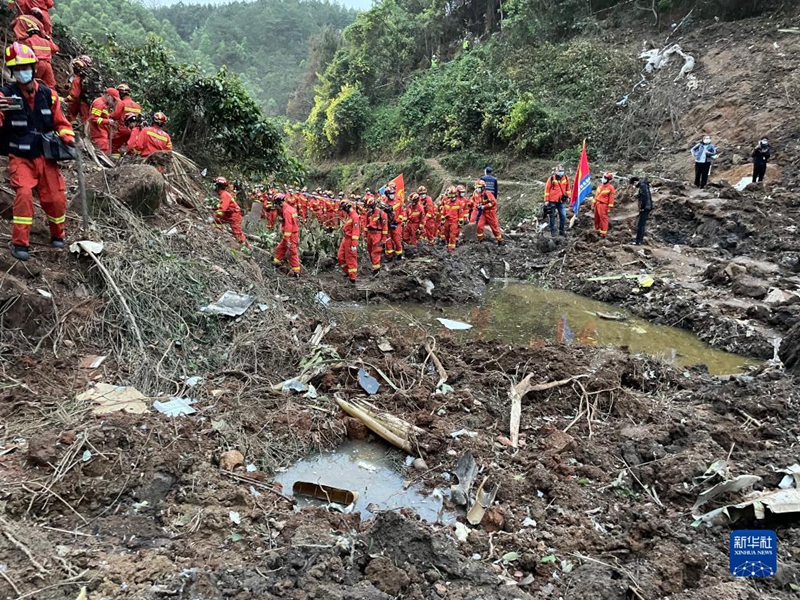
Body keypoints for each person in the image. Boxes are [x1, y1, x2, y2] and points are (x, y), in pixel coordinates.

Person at [0, 42, 75, 261]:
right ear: (12, 72)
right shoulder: (6, 96)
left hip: (46, 156)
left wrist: (66, 136)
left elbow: (62, 122)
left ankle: (57, 235)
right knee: (23, 195)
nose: (22, 72)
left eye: (26, 67)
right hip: (21, 157)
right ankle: (20, 243)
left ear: (33, 68)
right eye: (17, 69)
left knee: (56, 198)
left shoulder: (48, 95)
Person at [19, 21, 57, 89]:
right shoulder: (46, 41)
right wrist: (49, 40)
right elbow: (56, 49)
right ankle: (52, 98)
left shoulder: (28, 41)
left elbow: (26, 54)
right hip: (48, 65)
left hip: (38, 64)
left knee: (33, 83)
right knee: (50, 85)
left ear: (29, 33)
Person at [273, 193, 301, 277]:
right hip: (290, 235)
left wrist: (287, 239)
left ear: (279, 203)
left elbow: (288, 227)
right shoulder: (289, 208)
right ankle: (277, 264)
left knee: (292, 253)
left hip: (291, 235)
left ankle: (297, 273)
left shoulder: (287, 211)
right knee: (280, 249)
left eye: (276, 204)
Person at [111, 83, 141, 157]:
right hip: (134, 131)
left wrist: (107, 115)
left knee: (114, 145)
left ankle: (115, 161)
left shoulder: (122, 103)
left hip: (123, 129)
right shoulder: (137, 106)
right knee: (130, 148)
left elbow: (115, 116)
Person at [212, 177, 245, 243]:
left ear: (218, 186)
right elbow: (221, 205)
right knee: (216, 221)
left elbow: (222, 209)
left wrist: (215, 215)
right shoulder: (222, 194)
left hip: (234, 215)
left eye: (215, 185)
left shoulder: (225, 195)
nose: (214, 186)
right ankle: (217, 234)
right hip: (229, 214)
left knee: (237, 233)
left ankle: (243, 245)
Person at [472, 179, 504, 244]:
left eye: (478, 187)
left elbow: (494, 202)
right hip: (483, 213)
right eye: (477, 187)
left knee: (494, 227)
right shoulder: (477, 194)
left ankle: (500, 240)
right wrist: (478, 206)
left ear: (483, 187)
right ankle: (480, 240)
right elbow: (476, 201)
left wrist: (485, 206)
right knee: (479, 226)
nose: (477, 189)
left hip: (490, 213)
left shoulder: (488, 193)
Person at [89, 87, 118, 156]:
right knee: (102, 154)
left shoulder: (105, 105)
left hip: (103, 134)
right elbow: (94, 118)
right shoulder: (99, 103)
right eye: (113, 99)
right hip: (99, 134)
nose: (114, 102)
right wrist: (107, 121)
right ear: (108, 96)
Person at [544, 164, 571, 237]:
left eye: (562, 170)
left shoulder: (565, 178)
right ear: (556, 171)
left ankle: (561, 231)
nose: (561, 172)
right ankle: (552, 231)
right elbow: (547, 190)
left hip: (561, 201)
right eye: (560, 171)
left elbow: (568, 188)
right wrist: (546, 200)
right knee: (552, 216)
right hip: (552, 200)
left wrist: (569, 197)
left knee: (563, 216)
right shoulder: (551, 179)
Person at [337, 201, 361, 284]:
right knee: (340, 256)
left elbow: (356, 231)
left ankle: (352, 278)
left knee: (350, 259)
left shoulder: (355, 217)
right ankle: (347, 272)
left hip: (350, 240)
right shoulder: (349, 216)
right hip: (345, 239)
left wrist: (354, 244)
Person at [364, 194, 388, 276]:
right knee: (370, 251)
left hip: (377, 234)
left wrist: (383, 239)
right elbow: (365, 225)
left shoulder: (382, 213)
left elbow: (385, 228)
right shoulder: (368, 213)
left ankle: (376, 270)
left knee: (375, 251)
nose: (369, 208)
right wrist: (365, 236)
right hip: (370, 234)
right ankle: (375, 266)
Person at [66, 55, 92, 123]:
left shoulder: (77, 79)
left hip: (81, 101)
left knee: (71, 112)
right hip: (87, 101)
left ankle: (71, 125)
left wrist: (65, 99)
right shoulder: (88, 77)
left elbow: (74, 95)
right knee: (85, 119)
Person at [383, 183, 405, 261]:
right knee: (388, 240)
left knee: (396, 239)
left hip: (397, 224)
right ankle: (389, 256)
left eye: (393, 193)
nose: (392, 195)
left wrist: (397, 221)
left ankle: (399, 254)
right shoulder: (385, 202)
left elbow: (402, 212)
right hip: (388, 224)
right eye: (390, 194)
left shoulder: (398, 200)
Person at [592, 171, 616, 239]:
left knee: (603, 219)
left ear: (608, 179)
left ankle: (603, 234)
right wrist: (593, 204)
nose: (603, 179)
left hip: (603, 205)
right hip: (597, 204)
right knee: (597, 218)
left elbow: (611, 199)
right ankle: (598, 231)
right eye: (603, 177)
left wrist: (609, 208)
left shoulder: (610, 188)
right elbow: (596, 195)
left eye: (605, 178)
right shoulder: (600, 186)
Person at [630, 177, 653, 246]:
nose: (634, 186)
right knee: (642, 225)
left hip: (646, 207)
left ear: (635, 182)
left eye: (633, 184)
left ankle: (638, 241)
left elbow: (645, 197)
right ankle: (639, 240)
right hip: (648, 207)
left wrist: (642, 207)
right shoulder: (644, 185)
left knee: (640, 225)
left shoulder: (642, 186)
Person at [441, 185, 464, 253]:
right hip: (447, 221)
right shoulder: (447, 202)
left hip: (454, 221)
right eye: (451, 196)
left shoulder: (459, 203)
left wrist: (460, 221)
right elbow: (443, 211)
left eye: (453, 196)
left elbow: (460, 213)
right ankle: (449, 245)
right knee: (446, 234)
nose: (452, 198)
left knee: (452, 235)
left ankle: (451, 249)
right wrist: (442, 220)